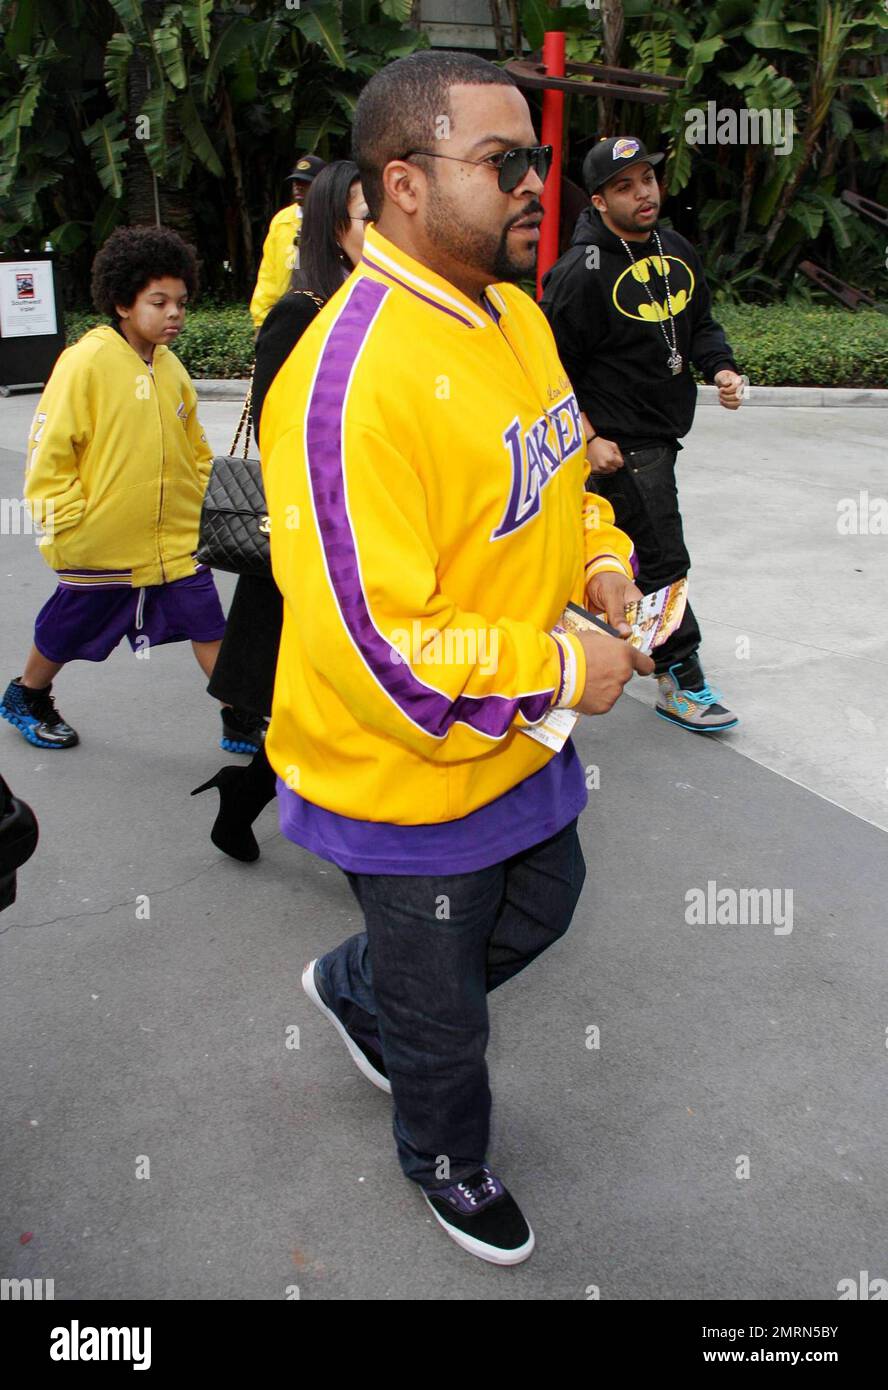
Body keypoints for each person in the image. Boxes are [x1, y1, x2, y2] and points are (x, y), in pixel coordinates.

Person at [259, 51, 654, 1265]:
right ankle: (447, 1156)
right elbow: (383, 651)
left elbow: (565, 476)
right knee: (445, 1026)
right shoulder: (347, 385)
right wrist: (557, 664)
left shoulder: (519, 315)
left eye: (535, 160)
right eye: (505, 162)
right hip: (410, 766)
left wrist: (600, 561)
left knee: (549, 900)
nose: (537, 183)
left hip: (520, 732)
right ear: (405, 184)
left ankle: (358, 984)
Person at [192, 162, 370, 860]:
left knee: (328, 697)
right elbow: (278, 433)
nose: (384, 228)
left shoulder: (382, 308)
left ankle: (246, 795)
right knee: (319, 695)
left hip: (367, 536)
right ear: (334, 229)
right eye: (367, 216)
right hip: (315, 541)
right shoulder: (300, 313)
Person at [541, 135, 746, 733]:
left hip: (660, 435)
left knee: (626, 552)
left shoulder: (674, 247)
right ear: (601, 202)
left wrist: (722, 368)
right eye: (625, 187)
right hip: (621, 444)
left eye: (648, 180)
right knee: (662, 557)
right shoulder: (581, 271)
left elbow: (700, 322)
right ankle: (681, 679)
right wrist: (582, 438)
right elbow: (550, 367)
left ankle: (592, 647)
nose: (643, 194)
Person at [0, 226, 227, 752]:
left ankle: (237, 712)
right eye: (159, 301)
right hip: (103, 542)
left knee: (209, 623)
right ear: (123, 302)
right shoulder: (85, 363)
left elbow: (195, 445)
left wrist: (204, 496)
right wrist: (69, 518)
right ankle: (28, 693)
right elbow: (49, 450)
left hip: (177, 539)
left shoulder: (171, 367)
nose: (175, 313)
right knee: (68, 627)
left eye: (181, 302)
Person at [249, 154, 327, 331]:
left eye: (306, 182)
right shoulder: (282, 221)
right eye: (296, 181)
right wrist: (261, 319)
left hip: (320, 318)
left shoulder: (333, 221)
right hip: (284, 316)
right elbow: (268, 274)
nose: (298, 187)